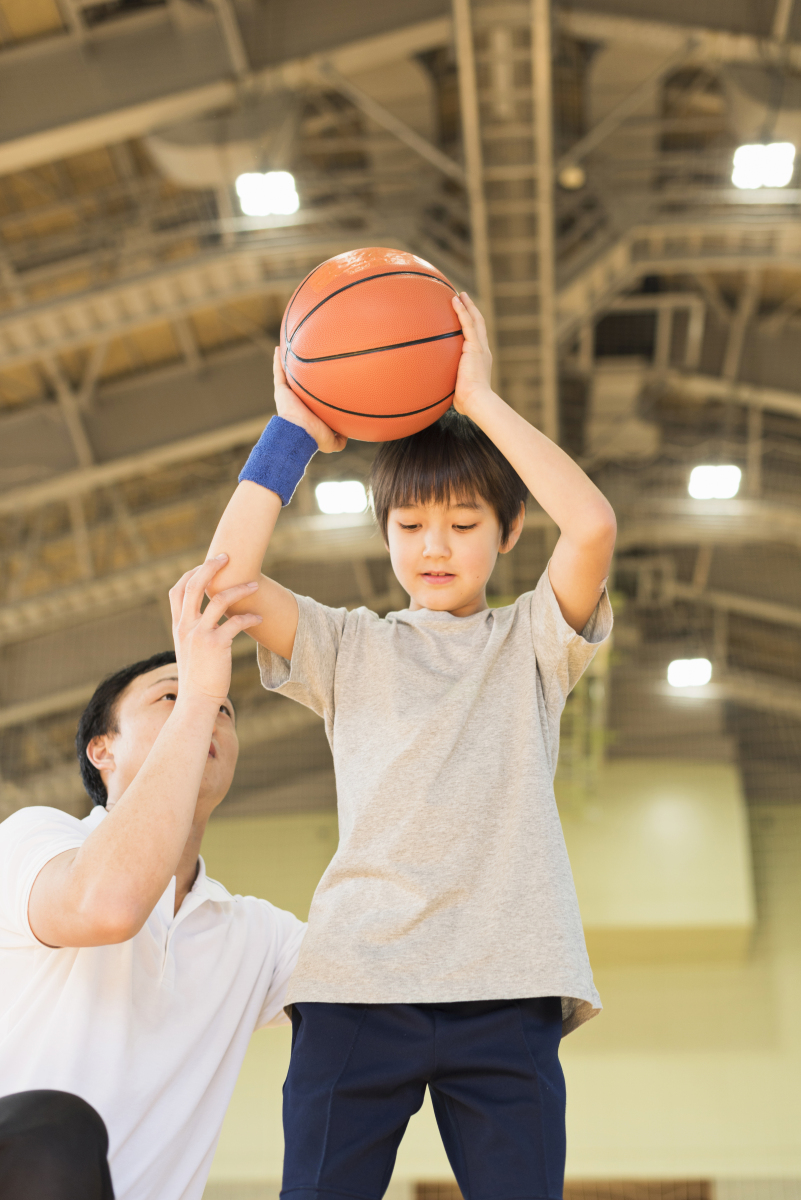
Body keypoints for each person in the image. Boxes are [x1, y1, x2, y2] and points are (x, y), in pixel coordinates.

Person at [206, 292, 616, 1200]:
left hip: (507, 985)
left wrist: (477, 399)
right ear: (383, 533)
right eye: (410, 527)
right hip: (356, 979)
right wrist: (291, 433)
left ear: (508, 533)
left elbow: (590, 525)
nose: (435, 546)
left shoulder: (532, 644)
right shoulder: (348, 645)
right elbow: (222, 583)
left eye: (465, 526)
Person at [0, 559, 306, 1200]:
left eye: (224, 708)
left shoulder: (257, 936)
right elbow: (105, 904)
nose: (210, 711)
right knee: (56, 1130)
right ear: (101, 749)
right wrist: (199, 694)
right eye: (173, 695)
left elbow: (392, 970)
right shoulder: (37, 840)